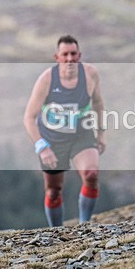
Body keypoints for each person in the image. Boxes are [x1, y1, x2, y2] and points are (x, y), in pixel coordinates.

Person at [23, 35, 106, 227]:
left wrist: (101, 133)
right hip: (52, 140)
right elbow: (29, 118)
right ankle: (56, 232)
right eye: (65, 54)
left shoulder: (90, 74)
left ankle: (84, 225)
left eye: (73, 54)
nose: (70, 59)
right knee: (53, 191)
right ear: (57, 57)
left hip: (81, 135)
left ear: (79, 55)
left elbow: (98, 103)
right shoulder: (46, 80)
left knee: (91, 174)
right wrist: (42, 147)